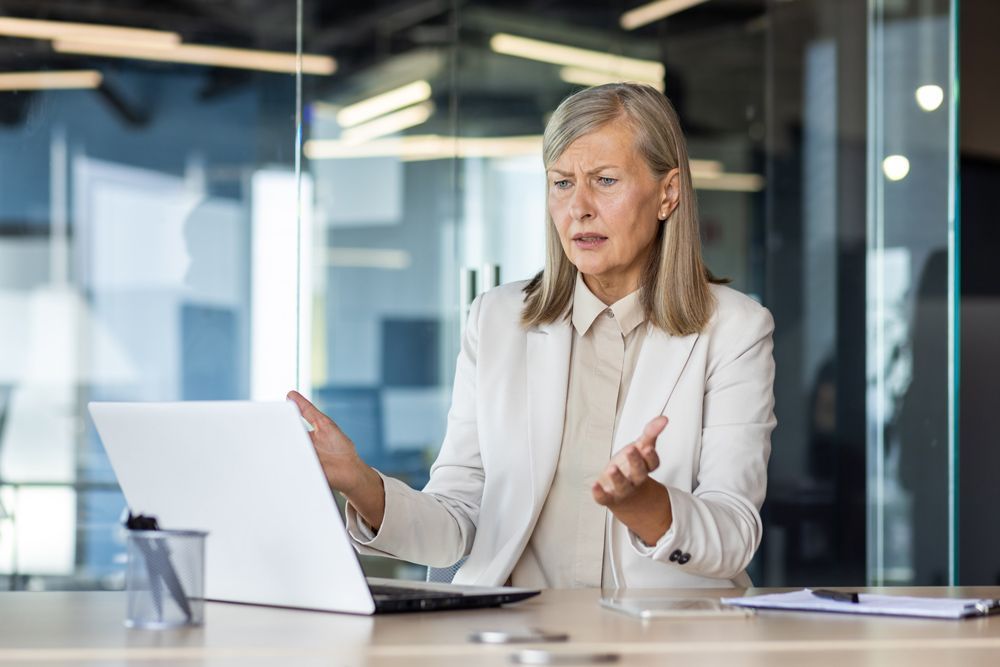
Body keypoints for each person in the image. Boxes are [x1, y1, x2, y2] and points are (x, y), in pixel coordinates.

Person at [289, 83, 775, 589]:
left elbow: (734, 531)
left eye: (605, 180)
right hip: (516, 635)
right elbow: (457, 522)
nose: (579, 207)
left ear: (667, 193)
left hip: (660, 635)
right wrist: (360, 484)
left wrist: (645, 505)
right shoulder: (496, 320)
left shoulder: (735, 329)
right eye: (562, 183)